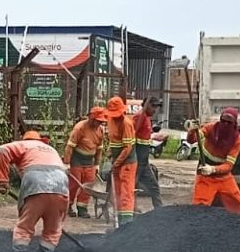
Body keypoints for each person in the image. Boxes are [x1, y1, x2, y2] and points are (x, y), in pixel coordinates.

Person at [0, 131, 69, 252]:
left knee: (24, 227)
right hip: (61, 185)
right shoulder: (51, 150)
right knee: (53, 230)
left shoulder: (24, 144)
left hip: (36, 183)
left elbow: (2, 150)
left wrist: (2, 181)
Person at [187, 108, 240, 215]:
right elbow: (192, 140)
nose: (225, 124)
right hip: (205, 177)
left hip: (224, 177)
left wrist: (213, 169)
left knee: (238, 203)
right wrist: (192, 131)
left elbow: (228, 166)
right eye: (223, 121)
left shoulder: (237, 139)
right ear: (220, 119)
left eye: (229, 122)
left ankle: (239, 226)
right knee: (200, 207)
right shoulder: (211, 128)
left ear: (234, 124)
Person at [63, 106, 107, 218]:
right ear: (92, 118)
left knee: (88, 185)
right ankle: (67, 206)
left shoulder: (100, 130)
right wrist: (67, 163)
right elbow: (69, 147)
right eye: (98, 121)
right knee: (74, 184)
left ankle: (82, 208)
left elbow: (99, 149)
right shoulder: (80, 128)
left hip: (89, 161)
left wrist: (97, 164)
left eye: (101, 121)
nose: (100, 123)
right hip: (76, 160)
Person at [104, 96, 138, 225]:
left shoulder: (126, 124)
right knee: (117, 192)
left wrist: (116, 163)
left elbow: (127, 148)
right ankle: (119, 218)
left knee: (126, 192)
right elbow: (113, 142)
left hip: (127, 162)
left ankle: (126, 222)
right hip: (117, 161)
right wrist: (109, 155)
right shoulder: (110, 120)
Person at [133, 97, 164, 211]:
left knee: (154, 187)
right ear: (147, 105)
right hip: (137, 159)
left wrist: (154, 136)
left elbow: (144, 135)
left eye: (156, 107)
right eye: (153, 106)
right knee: (132, 187)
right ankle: (131, 209)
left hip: (143, 161)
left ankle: (159, 211)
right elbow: (133, 134)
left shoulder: (146, 118)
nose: (155, 110)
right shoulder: (139, 117)